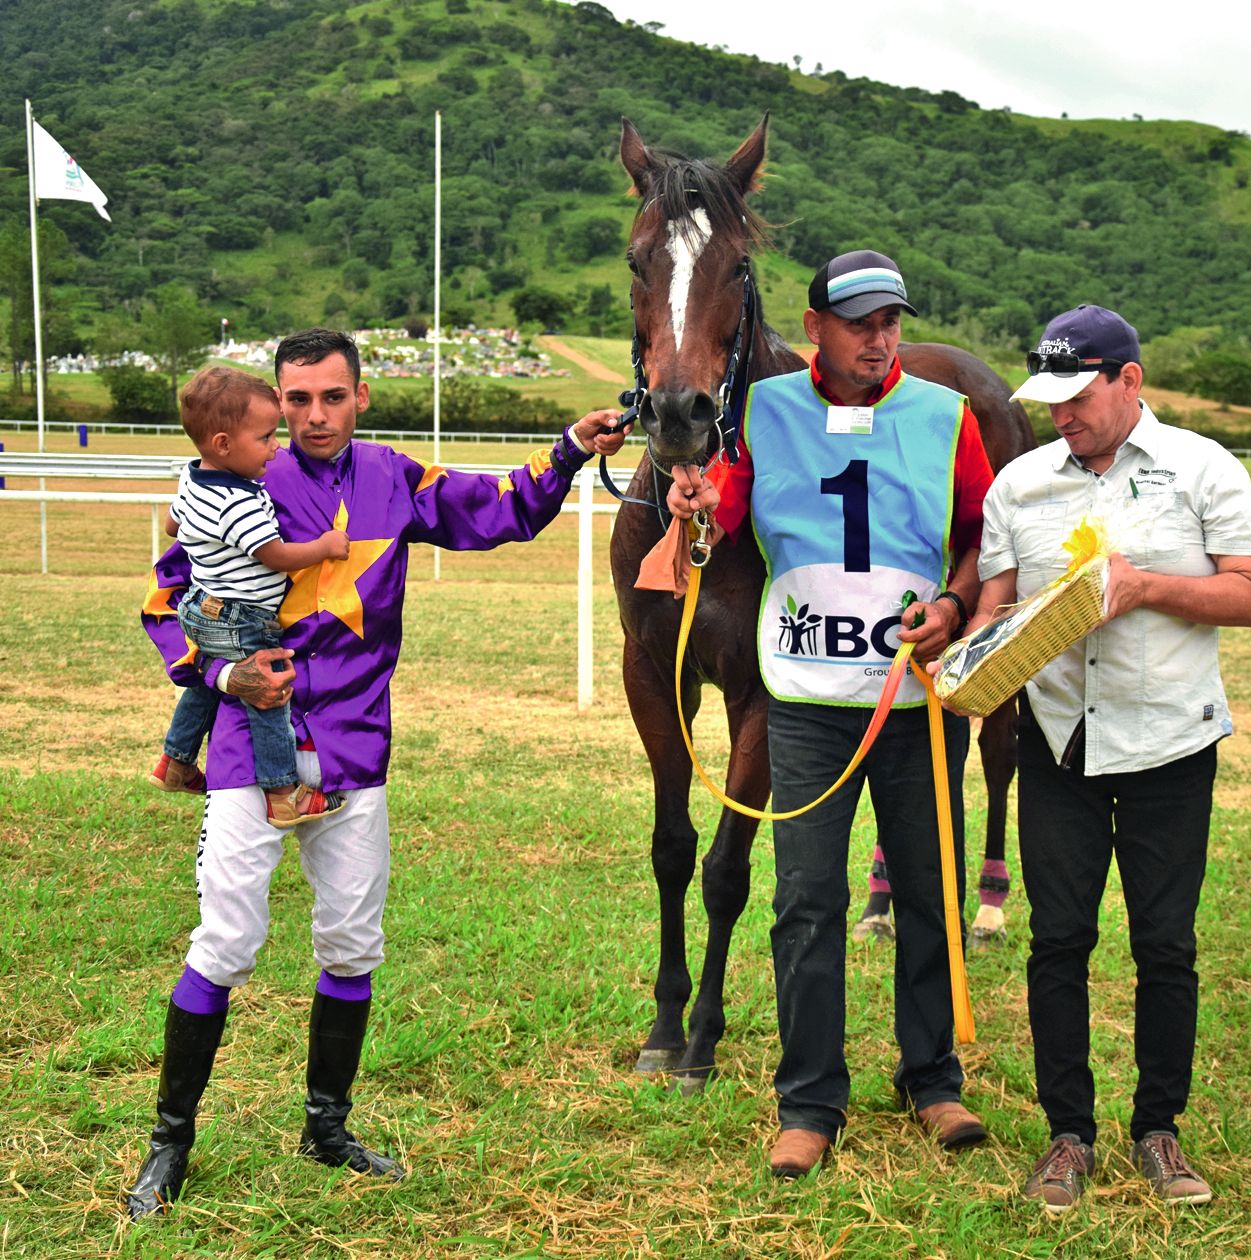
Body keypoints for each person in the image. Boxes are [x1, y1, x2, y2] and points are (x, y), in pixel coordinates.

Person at [126, 328, 625, 1219]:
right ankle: (170, 1144)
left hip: (358, 747)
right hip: (251, 743)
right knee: (227, 943)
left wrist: (570, 453)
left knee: (352, 945)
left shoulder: (394, 476)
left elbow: (498, 507)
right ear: (275, 402)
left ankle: (327, 1127)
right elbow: (168, 604)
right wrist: (218, 673)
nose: (314, 416)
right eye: (297, 400)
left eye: (332, 397)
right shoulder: (236, 481)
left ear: (361, 397)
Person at [667, 250, 995, 1178]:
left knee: (930, 893)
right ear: (815, 327)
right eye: (860, 323)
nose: (879, 339)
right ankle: (810, 1100)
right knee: (808, 901)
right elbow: (721, 510)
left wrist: (959, 603)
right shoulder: (764, 414)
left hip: (917, 702)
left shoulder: (947, 416)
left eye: (890, 321)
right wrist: (698, 501)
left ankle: (932, 1081)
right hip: (807, 701)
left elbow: (981, 535)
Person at [966, 304, 1251, 1212]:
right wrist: (966, 647)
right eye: (1051, 399)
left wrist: (1145, 589)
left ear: (1129, 381)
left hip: (1171, 744)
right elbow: (994, 600)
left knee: (1164, 945)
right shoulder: (1021, 484)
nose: (1061, 414)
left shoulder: (1201, 468)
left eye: (1078, 396)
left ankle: (1160, 1132)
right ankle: (1068, 1136)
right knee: (1058, 940)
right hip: (1058, 746)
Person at [148, 365, 350, 827]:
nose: (276, 447)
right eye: (265, 438)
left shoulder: (194, 477)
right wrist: (324, 546)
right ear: (223, 444)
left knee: (204, 686)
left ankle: (174, 761)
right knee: (269, 695)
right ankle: (284, 793)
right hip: (242, 617)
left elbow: (172, 525)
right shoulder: (236, 503)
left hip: (200, 606)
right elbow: (275, 555)